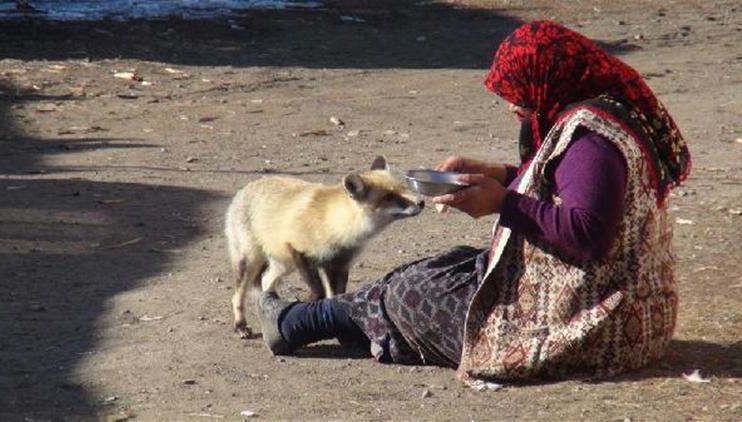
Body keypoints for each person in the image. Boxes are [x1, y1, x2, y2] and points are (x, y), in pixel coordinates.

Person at [257, 20, 691, 382]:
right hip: (617, 308)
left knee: (414, 292)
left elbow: (588, 234)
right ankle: (330, 321)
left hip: (594, 327)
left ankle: (302, 323)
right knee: (447, 266)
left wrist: (503, 203)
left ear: (548, 79)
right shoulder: (593, 116)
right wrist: (496, 174)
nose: (511, 107)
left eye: (517, 94)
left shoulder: (591, 140)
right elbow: (561, 186)